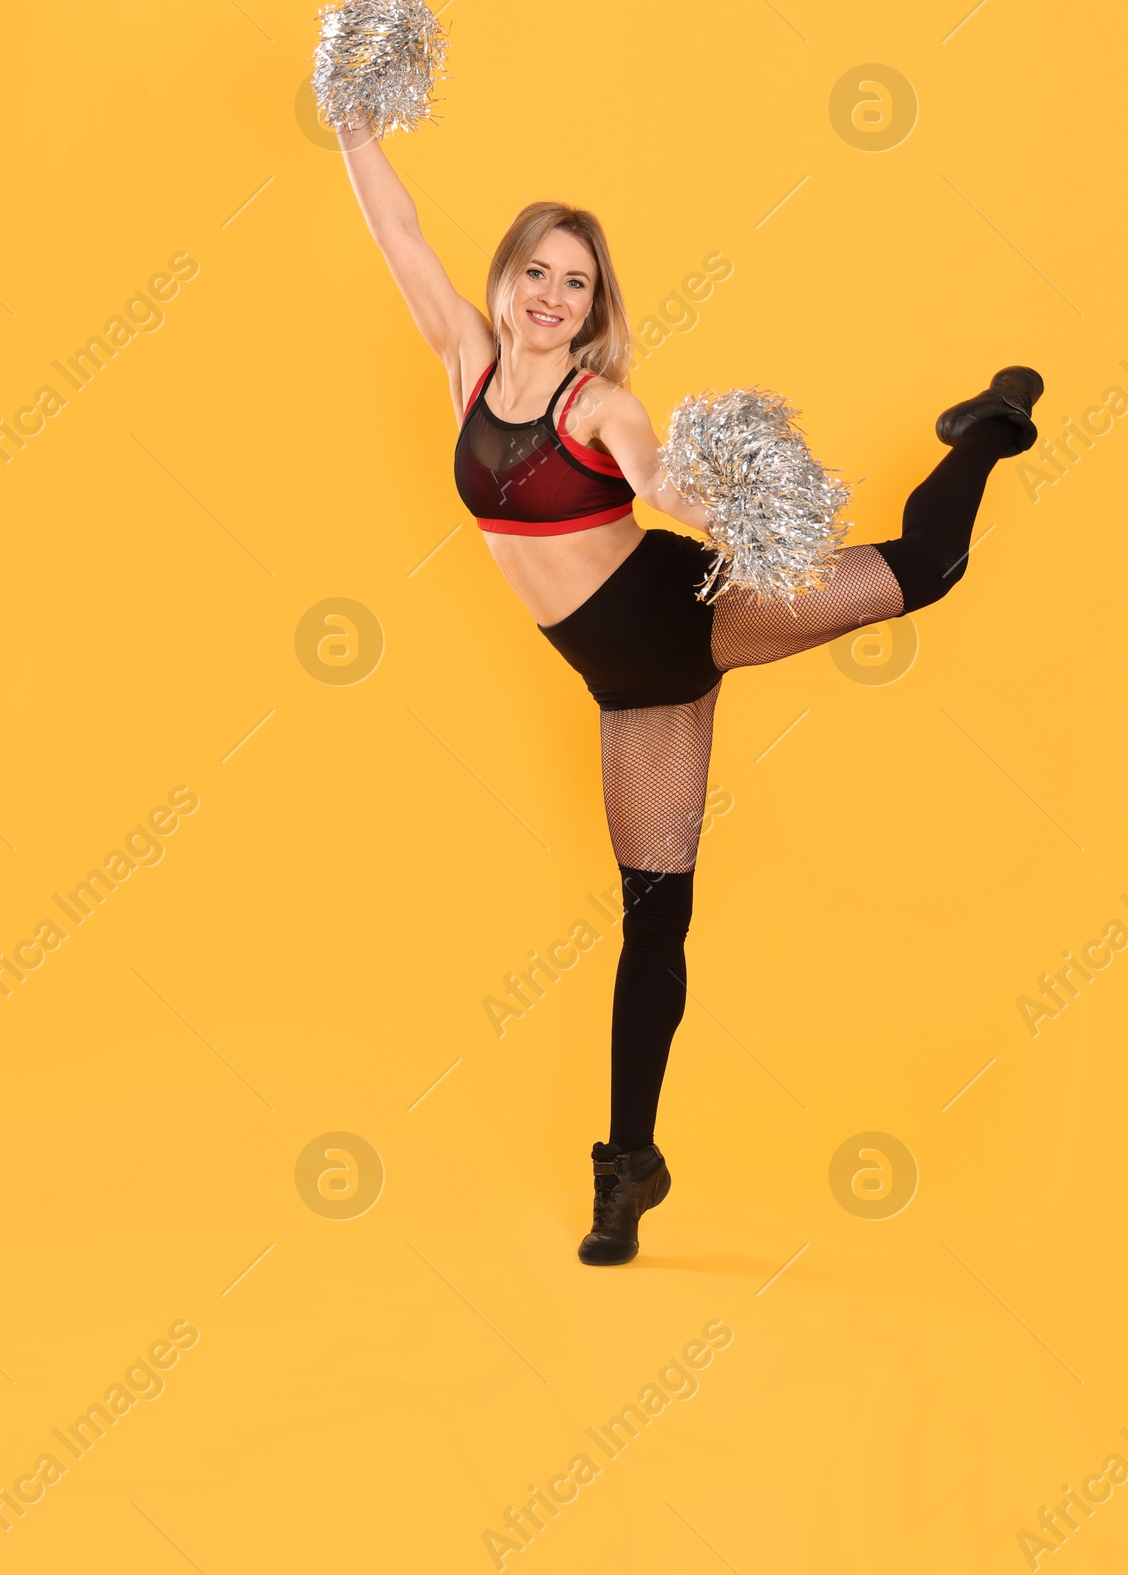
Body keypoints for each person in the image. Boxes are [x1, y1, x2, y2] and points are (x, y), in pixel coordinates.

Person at [337, 124, 1040, 1265]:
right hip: (627, 685)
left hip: (687, 606)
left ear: (593, 302)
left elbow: (658, 480)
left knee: (925, 570)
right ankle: (631, 1172)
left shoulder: (598, 405)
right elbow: (397, 229)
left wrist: (737, 507)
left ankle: (985, 431)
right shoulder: (464, 364)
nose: (556, 294)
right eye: (539, 271)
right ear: (507, 279)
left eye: (578, 280)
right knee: (653, 914)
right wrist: (355, 119)